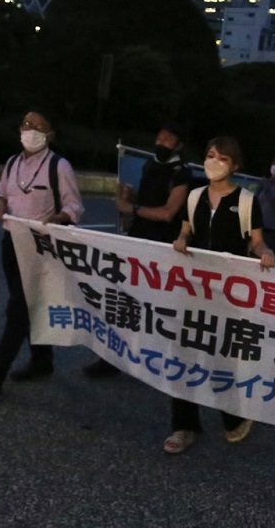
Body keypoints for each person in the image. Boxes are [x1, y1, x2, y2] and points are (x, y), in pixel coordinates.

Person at [164, 136, 275, 454]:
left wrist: (265, 251)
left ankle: (233, 417)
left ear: (235, 166)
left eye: (223, 158)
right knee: (183, 353)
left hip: (228, 293)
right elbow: (186, 230)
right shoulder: (194, 196)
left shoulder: (245, 201)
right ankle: (184, 425)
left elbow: (255, 241)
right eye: (210, 155)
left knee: (221, 357)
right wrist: (181, 239)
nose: (214, 161)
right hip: (193, 288)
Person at [0, 108, 84, 404]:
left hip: (39, 248)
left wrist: (58, 219)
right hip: (11, 242)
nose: (30, 129)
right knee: (28, 306)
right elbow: (2, 194)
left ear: (50, 135)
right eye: (26, 124)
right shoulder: (11, 163)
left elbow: (74, 207)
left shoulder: (59, 166)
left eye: (38, 126)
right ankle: (42, 361)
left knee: (18, 310)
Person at [85, 123, 193, 379]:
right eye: (159, 136)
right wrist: (130, 198)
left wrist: (131, 209)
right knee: (125, 299)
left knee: (157, 305)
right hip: (137, 241)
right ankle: (113, 357)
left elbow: (168, 213)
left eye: (168, 138)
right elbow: (144, 203)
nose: (161, 141)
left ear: (178, 145)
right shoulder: (150, 165)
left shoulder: (181, 172)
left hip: (162, 247)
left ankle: (157, 359)